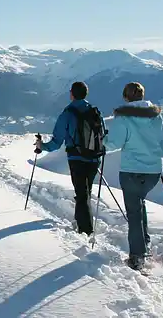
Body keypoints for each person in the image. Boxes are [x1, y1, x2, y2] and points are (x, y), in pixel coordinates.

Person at [102, 82, 163, 270]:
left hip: (132, 170)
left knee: (134, 212)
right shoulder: (156, 116)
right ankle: (144, 244)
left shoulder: (124, 117)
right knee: (139, 204)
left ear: (126, 97)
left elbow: (114, 143)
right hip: (154, 172)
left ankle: (137, 257)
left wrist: (103, 140)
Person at [35, 81, 103, 236]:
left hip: (77, 158)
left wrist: (41, 146)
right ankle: (81, 222)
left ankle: (85, 231)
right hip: (94, 158)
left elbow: (56, 142)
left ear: (72, 94)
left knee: (81, 193)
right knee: (85, 191)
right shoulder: (95, 111)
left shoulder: (67, 113)